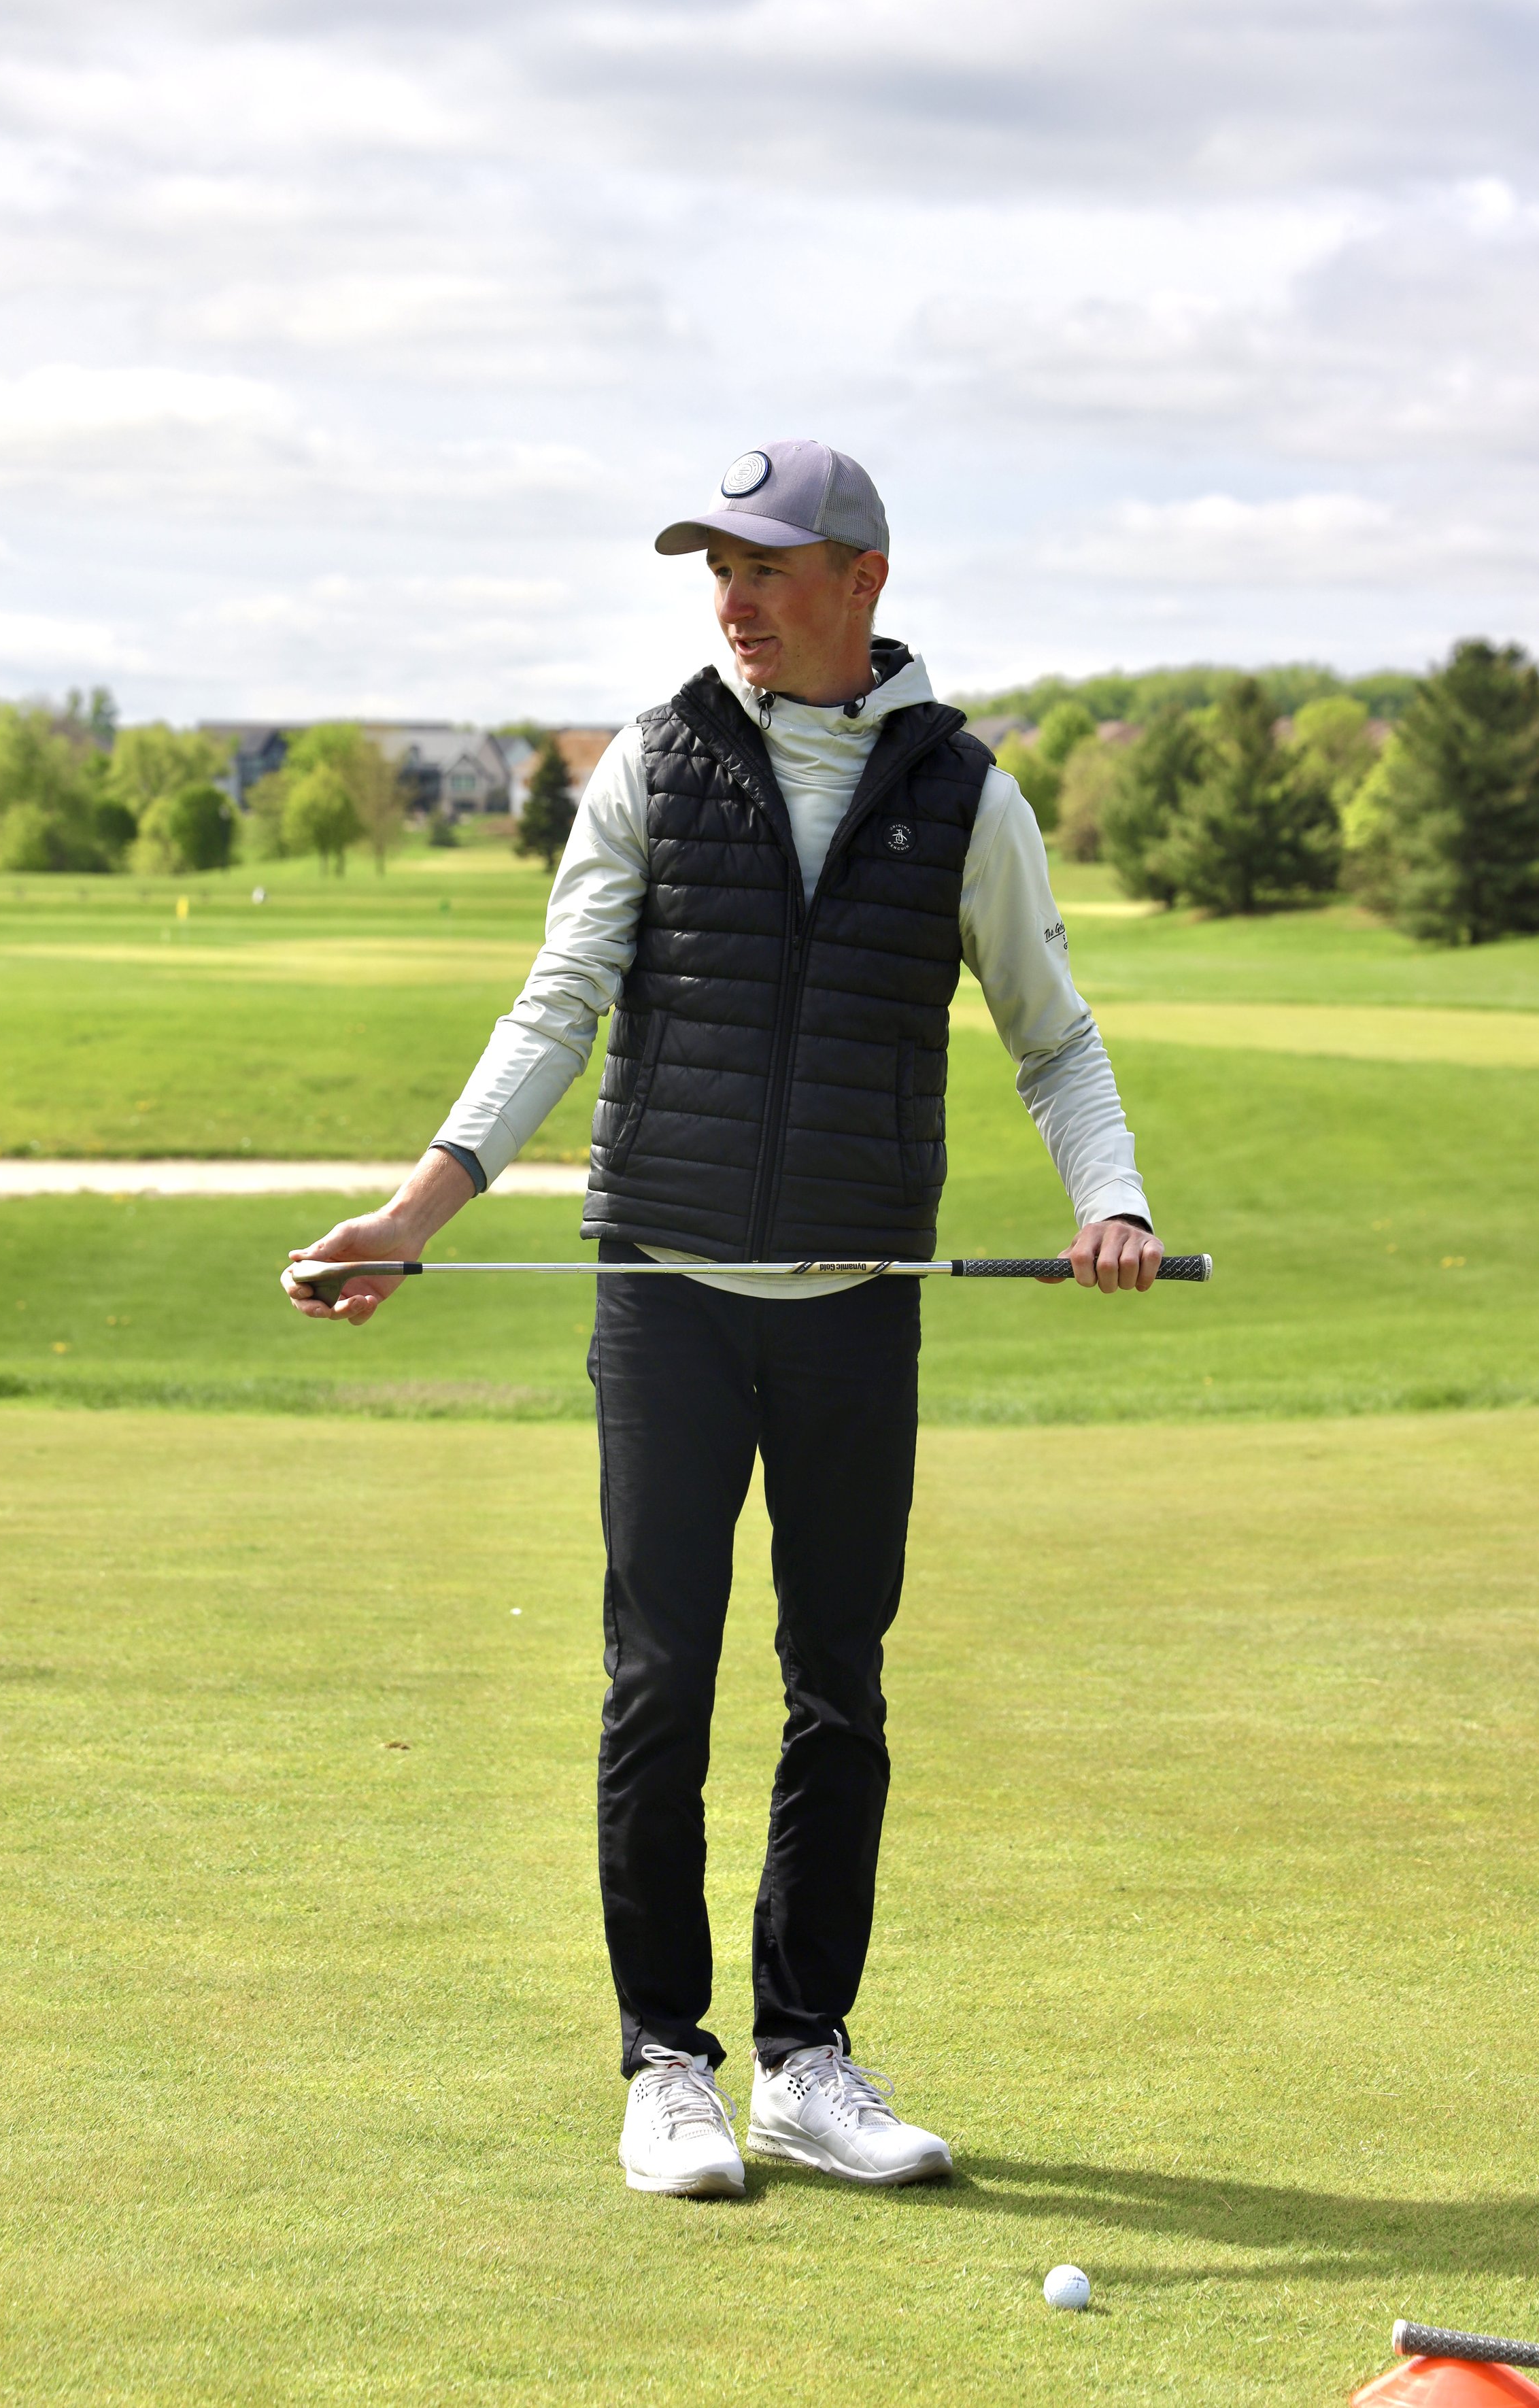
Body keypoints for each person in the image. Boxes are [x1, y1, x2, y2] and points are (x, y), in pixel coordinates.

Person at [287, 439, 1162, 2200]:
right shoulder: (654, 771)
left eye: (765, 567)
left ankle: (804, 2062)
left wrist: (1108, 1198)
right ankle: (662, 2066)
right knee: (656, 1686)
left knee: (836, 1688)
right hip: (664, 1306)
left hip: (852, 1308)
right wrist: (415, 1212)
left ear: (863, 582)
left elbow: (1050, 1039)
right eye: (715, 568)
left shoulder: (964, 798)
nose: (731, 599)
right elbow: (553, 1013)